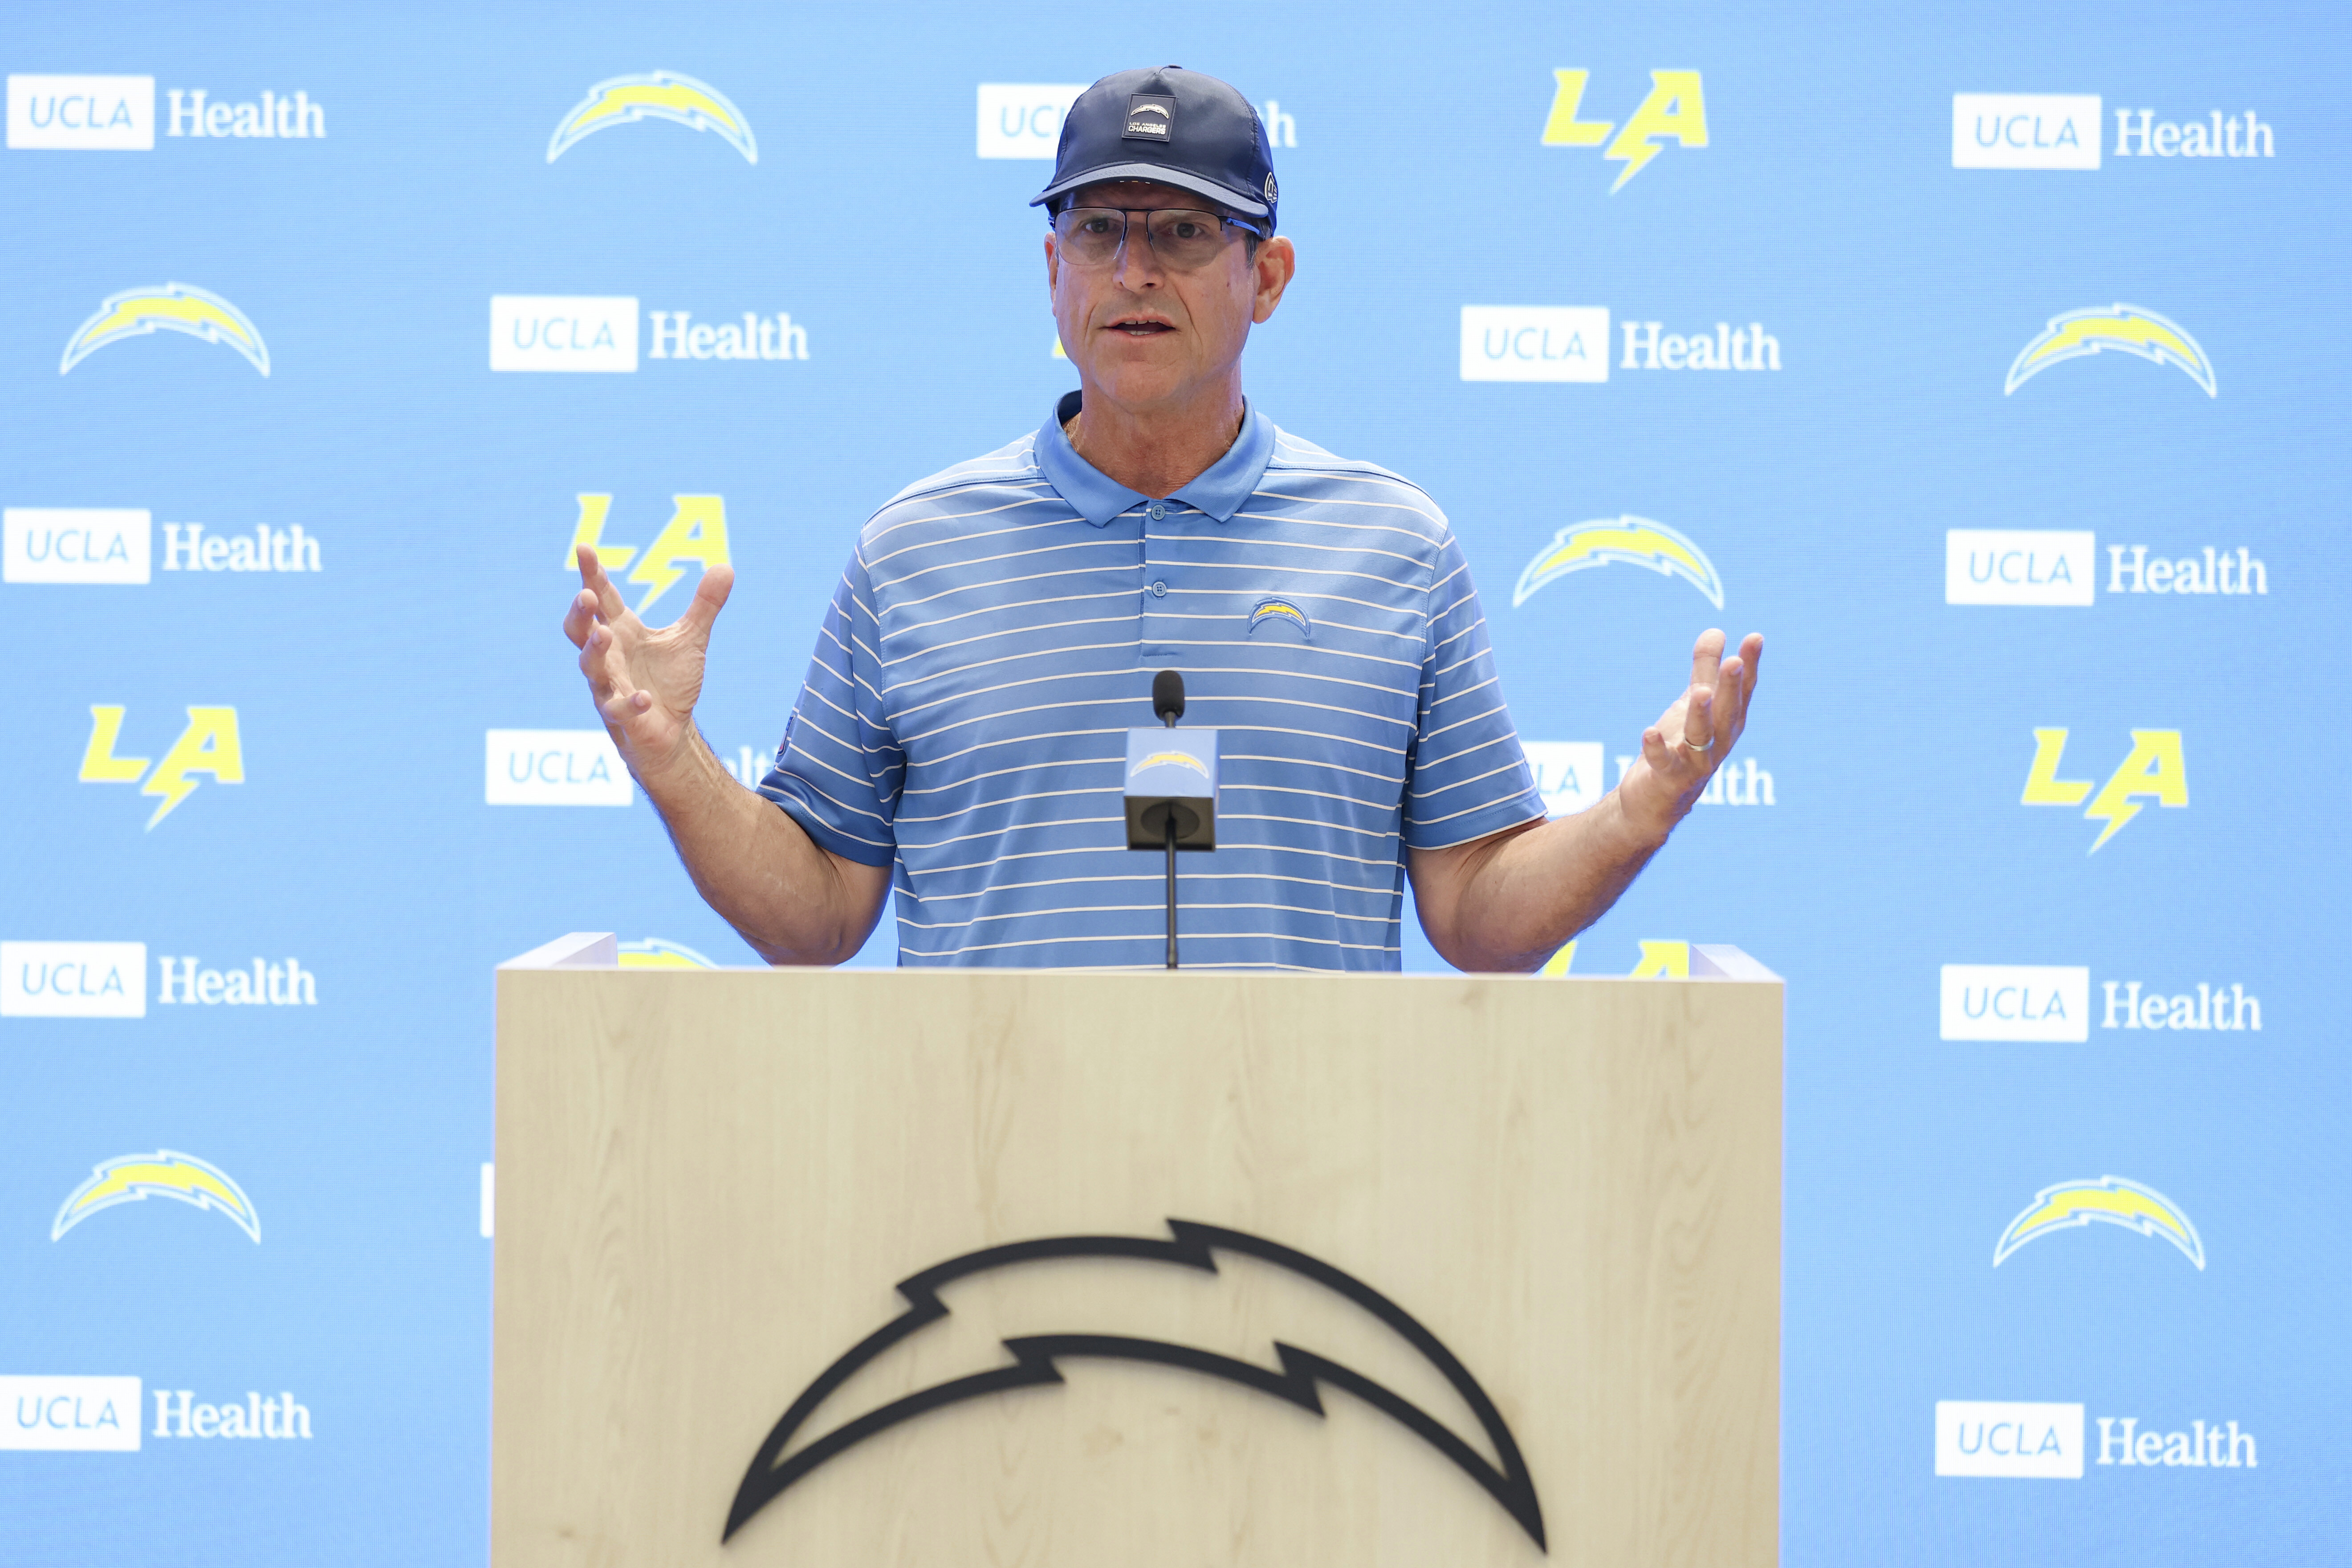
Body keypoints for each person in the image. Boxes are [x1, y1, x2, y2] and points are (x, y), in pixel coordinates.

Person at [563, 65, 1761, 972]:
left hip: (1306, 1182)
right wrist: (676, 760)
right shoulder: (912, 549)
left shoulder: (1395, 545)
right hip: (985, 1178)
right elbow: (815, 913)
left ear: (1267, 278)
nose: (1134, 270)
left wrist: (1632, 816)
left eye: (1184, 231)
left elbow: (1477, 912)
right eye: (1099, 230)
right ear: (1053, 274)